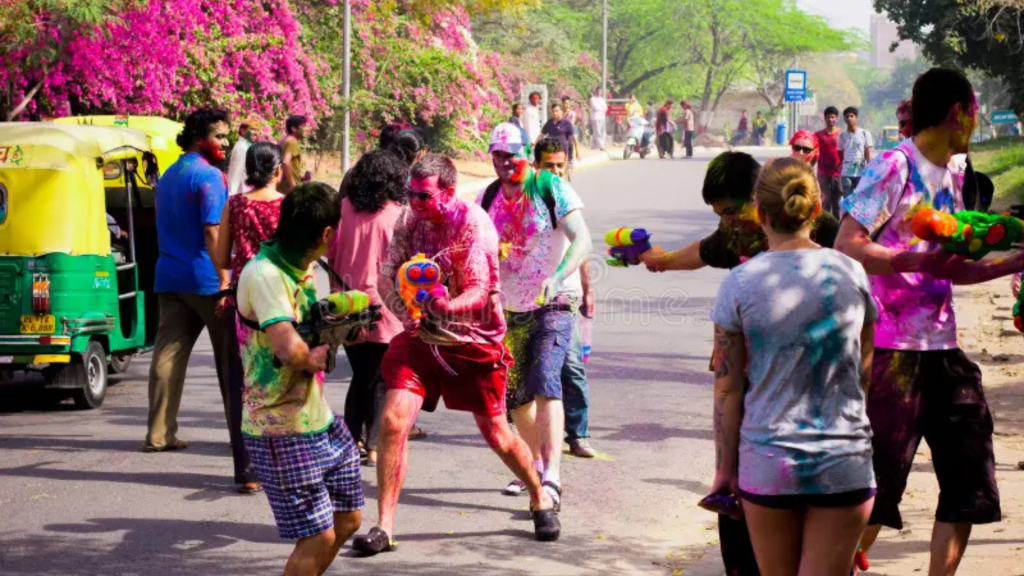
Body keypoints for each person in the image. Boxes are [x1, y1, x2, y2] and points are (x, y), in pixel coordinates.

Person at [836, 68, 1024, 576]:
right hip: (891, 351)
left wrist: (1012, 263)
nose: (977, 117)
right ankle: (838, 562)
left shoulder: (957, 173)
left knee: (969, 478)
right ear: (958, 113)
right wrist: (911, 261)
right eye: (974, 108)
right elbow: (847, 243)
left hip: (943, 348)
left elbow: (951, 267)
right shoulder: (894, 167)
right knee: (881, 482)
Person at [351, 153, 560, 555]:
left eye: (424, 195)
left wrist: (447, 307)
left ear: (448, 191)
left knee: (497, 434)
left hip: (472, 340)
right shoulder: (410, 220)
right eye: (410, 194)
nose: (415, 202)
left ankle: (539, 494)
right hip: (423, 337)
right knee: (394, 420)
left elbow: (479, 291)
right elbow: (384, 274)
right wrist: (405, 311)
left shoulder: (472, 224)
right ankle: (385, 526)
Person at [710, 157, 877, 576]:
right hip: (845, 461)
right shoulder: (852, 273)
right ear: (816, 210)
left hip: (769, 465)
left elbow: (728, 390)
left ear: (761, 213)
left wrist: (723, 472)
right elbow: (864, 369)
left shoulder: (740, 283)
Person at [236, 182, 362, 576]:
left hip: (318, 420)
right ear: (325, 234)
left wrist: (347, 326)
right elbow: (291, 351)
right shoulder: (265, 275)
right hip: (279, 428)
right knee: (319, 537)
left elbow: (318, 323)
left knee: (350, 519)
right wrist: (322, 355)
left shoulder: (307, 266)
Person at [477, 123, 593, 511]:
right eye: (498, 155)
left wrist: (557, 276)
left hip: (554, 301)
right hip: (507, 308)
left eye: (512, 154)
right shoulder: (487, 196)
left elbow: (584, 241)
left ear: (526, 153)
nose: (505, 162)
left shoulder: (551, 187)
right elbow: (473, 249)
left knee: (546, 381)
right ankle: (535, 464)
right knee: (515, 398)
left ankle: (553, 477)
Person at [143, 109, 254, 483]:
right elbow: (212, 232)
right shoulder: (209, 177)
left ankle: (159, 435)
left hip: (170, 277)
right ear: (198, 138)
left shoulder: (171, 174)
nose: (225, 144)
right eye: (220, 137)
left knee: (167, 355)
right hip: (207, 281)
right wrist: (226, 278)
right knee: (230, 361)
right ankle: (239, 436)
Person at [213, 141, 287, 493]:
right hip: (279, 304)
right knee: (279, 381)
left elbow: (222, 256)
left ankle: (248, 471)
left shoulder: (236, 205)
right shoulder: (287, 207)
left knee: (241, 384)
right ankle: (281, 464)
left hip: (242, 302)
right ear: (279, 171)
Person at [326, 150, 408, 468]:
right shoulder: (398, 214)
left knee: (361, 376)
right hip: (386, 307)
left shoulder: (342, 210)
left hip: (346, 303)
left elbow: (330, 256)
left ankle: (352, 441)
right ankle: (372, 445)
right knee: (380, 380)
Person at [530, 137, 598, 459]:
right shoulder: (528, 198)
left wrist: (588, 289)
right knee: (532, 369)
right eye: (548, 165)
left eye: (560, 165)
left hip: (564, 297)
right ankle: (531, 434)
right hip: (528, 298)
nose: (555, 172)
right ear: (536, 165)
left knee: (571, 366)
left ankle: (578, 433)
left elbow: (581, 248)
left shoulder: (568, 198)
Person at [816, 106, 844, 218]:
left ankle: (836, 228)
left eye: (832, 117)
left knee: (836, 203)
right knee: (825, 202)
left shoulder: (842, 135)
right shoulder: (818, 135)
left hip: (838, 173)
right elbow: (814, 152)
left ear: (836, 118)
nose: (830, 119)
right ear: (824, 119)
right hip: (823, 173)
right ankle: (825, 225)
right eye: (828, 117)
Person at [540, 103, 580, 181]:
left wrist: (577, 152)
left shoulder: (567, 123)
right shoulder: (549, 123)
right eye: (553, 111)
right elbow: (541, 134)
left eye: (557, 111)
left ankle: (567, 172)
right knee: (552, 170)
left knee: (560, 171)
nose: (555, 113)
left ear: (561, 111)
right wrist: (535, 144)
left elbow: (574, 138)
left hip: (563, 151)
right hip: (552, 151)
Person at [839, 107, 872, 197]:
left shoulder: (865, 133)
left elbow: (868, 154)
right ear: (844, 119)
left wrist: (870, 170)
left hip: (860, 171)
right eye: (846, 117)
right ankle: (848, 212)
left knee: (861, 197)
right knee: (847, 198)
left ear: (856, 117)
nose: (849, 118)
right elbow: (840, 154)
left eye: (851, 116)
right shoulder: (842, 136)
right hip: (846, 172)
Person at [279, 115, 311, 193]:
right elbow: (286, 162)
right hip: (289, 189)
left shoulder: (283, 141)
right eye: (303, 126)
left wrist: (300, 177)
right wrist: (293, 184)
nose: (307, 129)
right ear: (294, 128)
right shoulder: (292, 142)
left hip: (281, 186)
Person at [227, 121, 255, 196]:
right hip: (241, 192)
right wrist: (231, 195)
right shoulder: (242, 148)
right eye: (252, 129)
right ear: (243, 131)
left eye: (257, 130)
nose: (256, 133)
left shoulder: (248, 146)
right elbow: (235, 173)